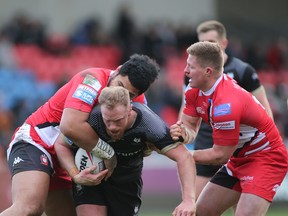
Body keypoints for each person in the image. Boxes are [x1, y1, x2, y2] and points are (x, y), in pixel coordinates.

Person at [1, 54, 160, 216]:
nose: (119, 95)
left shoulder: (139, 102)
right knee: (29, 208)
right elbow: (70, 126)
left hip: (67, 155)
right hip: (35, 142)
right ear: (117, 70)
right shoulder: (91, 80)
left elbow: (145, 137)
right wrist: (108, 153)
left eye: (129, 94)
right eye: (119, 84)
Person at [170, 41, 288, 216]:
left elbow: (220, 155)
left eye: (191, 67)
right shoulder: (193, 89)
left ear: (208, 71)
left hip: (266, 159)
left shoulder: (225, 104)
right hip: (239, 159)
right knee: (201, 212)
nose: (185, 71)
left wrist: (183, 155)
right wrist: (180, 134)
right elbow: (189, 126)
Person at [54, 86, 196, 216]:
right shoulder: (92, 119)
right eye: (107, 120)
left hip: (126, 182)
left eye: (118, 120)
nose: (112, 127)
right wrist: (74, 174)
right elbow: (61, 144)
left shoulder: (150, 126)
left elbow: (184, 157)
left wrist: (188, 200)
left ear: (129, 110)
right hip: (90, 181)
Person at [179, 20, 274, 200]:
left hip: (240, 146)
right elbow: (186, 116)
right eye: (201, 43)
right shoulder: (193, 75)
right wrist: (180, 133)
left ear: (223, 44)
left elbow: (264, 111)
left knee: (238, 207)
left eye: (211, 42)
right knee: (197, 206)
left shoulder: (242, 71)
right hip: (207, 140)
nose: (206, 47)